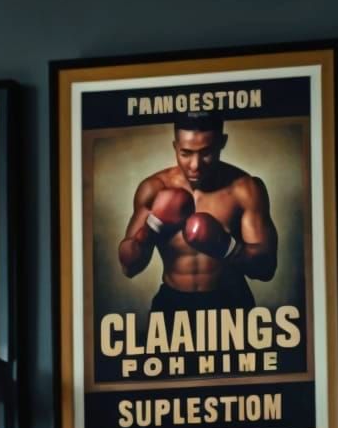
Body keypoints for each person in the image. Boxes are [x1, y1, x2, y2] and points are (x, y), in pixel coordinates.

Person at [117, 121, 279, 319]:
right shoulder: (154, 189)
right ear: (175, 146)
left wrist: (226, 247)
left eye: (206, 153)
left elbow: (266, 269)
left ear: (222, 142)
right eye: (185, 153)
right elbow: (129, 267)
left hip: (231, 302)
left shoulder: (245, 189)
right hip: (173, 304)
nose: (195, 165)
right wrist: (152, 227)